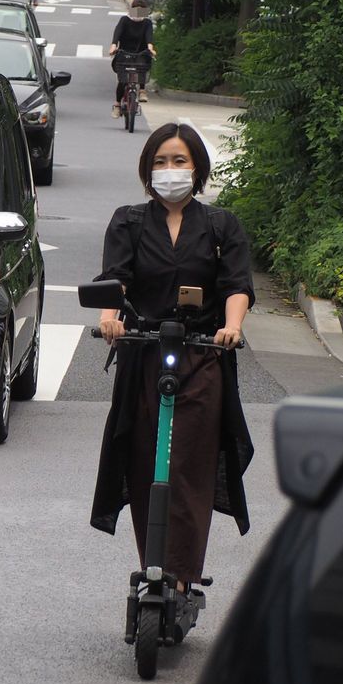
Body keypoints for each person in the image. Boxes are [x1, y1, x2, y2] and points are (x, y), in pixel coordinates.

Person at [92, 122, 255, 600]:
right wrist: (109, 318)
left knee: (186, 465)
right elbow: (115, 279)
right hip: (144, 356)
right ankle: (155, 567)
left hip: (203, 358)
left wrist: (232, 327)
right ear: (148, 170)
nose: (170, 171)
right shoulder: (128, 221)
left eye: (179, 161)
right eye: (161, 161)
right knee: (146, 464)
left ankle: (183, 575)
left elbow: (237, 286)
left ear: (197, 168)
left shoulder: (222, 225)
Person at [108, 0, 155, 116]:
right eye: (136, 9)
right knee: (123, 80)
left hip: (140, 53)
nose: (138, 13)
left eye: (141, 10)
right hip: (125, 53)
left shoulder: (147, 23)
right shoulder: (124, 20)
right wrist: (113, 45)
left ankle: (142, 90)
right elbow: (117, 33)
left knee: (143, 65)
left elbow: (149, 37)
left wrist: (150, 48)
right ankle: (117, 105)